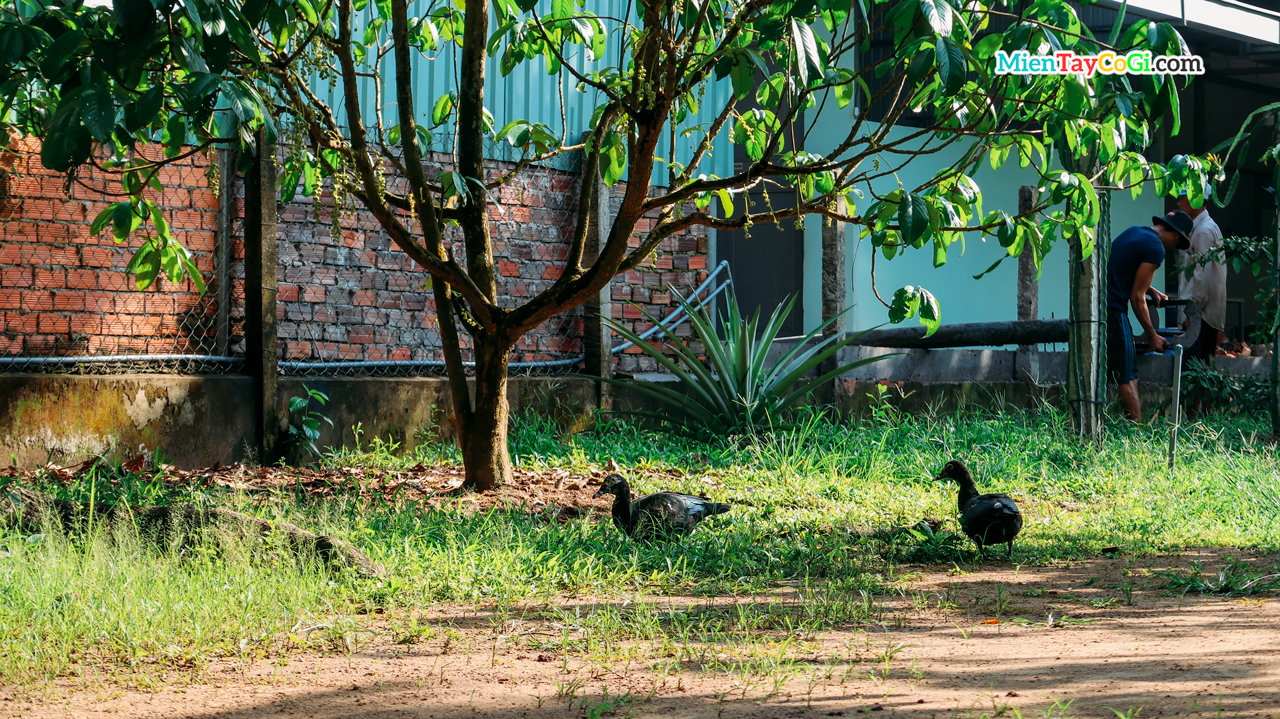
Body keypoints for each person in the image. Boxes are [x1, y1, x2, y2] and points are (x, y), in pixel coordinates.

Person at [1107, 210, 1192, 422]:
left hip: (1099, 307)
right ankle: (1136, 437)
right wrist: (1152, 335)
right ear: (1176, 235)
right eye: (1177, 243)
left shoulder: (1135, 232)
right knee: (1128, 377)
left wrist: (1150, 289)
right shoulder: (1156, 248)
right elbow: (1136, 297)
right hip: (1114, 309)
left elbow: (1121, 270)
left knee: (1120, 372)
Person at [1176, 192, 1225, 363]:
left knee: (1194, 370)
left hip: (1201, 315)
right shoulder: (1201, 228)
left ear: (1195, 200)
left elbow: (1202, 277)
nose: (1178, 203)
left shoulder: (1203, 231)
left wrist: (1193, 313)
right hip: (1201, 313)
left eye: (1182, 198)